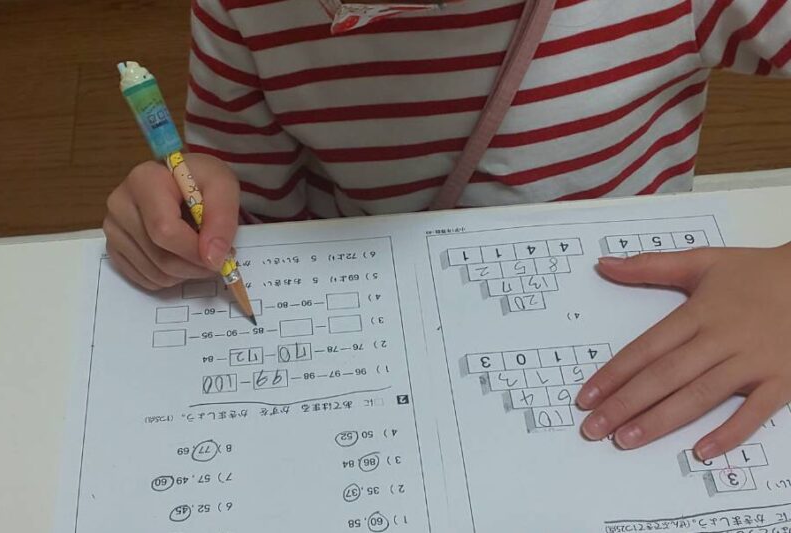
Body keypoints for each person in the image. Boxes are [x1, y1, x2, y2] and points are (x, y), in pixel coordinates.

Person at [103, 0, 791, 460]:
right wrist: (187, 215)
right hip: (377, 344)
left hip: (650, 337)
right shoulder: (249, 11)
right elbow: (247, 214)